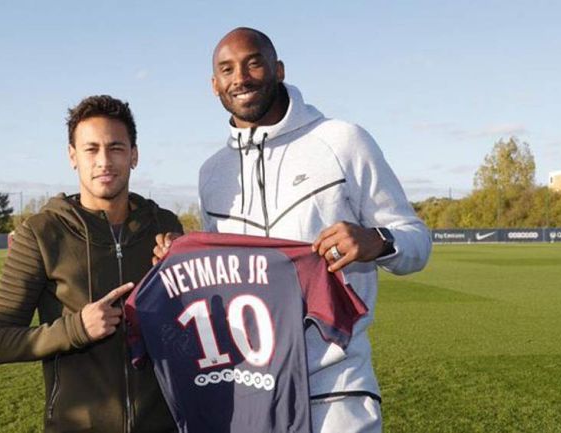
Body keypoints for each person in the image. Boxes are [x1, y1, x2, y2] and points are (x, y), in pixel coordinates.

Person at [156, 27, 431, 433]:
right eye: (227, 69)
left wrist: (378, 241)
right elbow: (223, 280)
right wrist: (180, 261)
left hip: (336, 389)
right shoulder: (212, 174)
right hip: (249, 392)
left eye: (253, 63)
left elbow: (417, 241)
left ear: (278, 69)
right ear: (214, 85)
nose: (241, 78)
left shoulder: (342, 141)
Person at [0, 95, 182, 433]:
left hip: (165, 424)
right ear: (72, 156)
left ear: (134, 155)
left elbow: (192, 324)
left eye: (116, 148)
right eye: (91, 149)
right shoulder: (41, 233)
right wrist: (76, 329)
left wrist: (180, 269)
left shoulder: (164, 226)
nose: (104, 161)